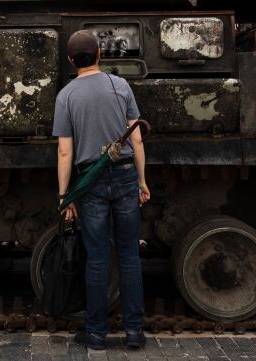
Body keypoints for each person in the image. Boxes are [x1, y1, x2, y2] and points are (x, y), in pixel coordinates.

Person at [52, 30, 150, 350]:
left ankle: (96, 333)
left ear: (71, 61)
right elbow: (135, 139)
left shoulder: (66, 96)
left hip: (89, 182)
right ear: (99, 55)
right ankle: (134, 332)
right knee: (129, 256)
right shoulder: (119, 85)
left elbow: (65, 151)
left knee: (96, 258)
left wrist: (65, 195)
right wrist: (142, 181)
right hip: (123, 176)